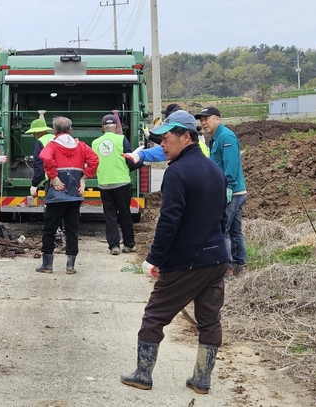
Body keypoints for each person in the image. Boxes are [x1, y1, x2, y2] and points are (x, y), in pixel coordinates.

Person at [120, 110, 228, 394]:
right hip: (216, 257)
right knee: (209, 319)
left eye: (166, 139)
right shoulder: (214, 170)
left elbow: (169, 220)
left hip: (186, 260)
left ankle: (143, 374)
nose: (162, 146)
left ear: (185, 137)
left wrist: (154, 258)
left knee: (154, 315)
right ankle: (202, 380)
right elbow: (222, 216)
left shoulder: (177, 172)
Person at [36, 116, 99, 274]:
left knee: (49, 229)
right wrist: (83, 178)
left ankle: (47, 265)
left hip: (56, 196)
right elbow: (94, 160)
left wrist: (53, 177)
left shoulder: (52, 145)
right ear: (70, 130)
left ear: (54, 131)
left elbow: (45, 157)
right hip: (74, 195)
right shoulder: (81, 146)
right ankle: (70, 266)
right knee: (72, 230)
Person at [195, 107, 247, 277]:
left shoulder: (226, 137)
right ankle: (240, 265)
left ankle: (226, 268)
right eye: (201, 120)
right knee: (234, 231)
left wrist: (229, 186)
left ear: (218, 119)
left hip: (232, 192)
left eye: (207, 118)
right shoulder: (216, 138)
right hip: (233, 191)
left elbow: (231, 163)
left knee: (222, 229)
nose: (203, 122)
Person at [91, 113, 140, 255]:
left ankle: (114, 246)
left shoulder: (95, 143)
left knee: (110, 215)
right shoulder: (121, 139)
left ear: (102, 127)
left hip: (104, 183)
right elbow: (130, 160)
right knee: (125, 213)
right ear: (116, 127)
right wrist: (141, 162)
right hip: (121, 182)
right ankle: (129, 244)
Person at [27, 117, 65, 250]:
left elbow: (39, 167)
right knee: (64, 209)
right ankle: (67, 242)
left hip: (52, 180)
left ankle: (56, 241)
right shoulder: (58, 139)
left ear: (37, 132)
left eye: (34, 133)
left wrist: (34, 184)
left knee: (51, 210)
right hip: (66, 176)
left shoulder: (40, 143)